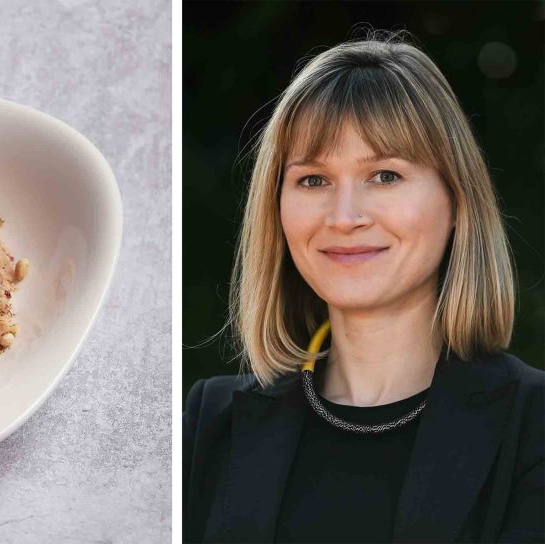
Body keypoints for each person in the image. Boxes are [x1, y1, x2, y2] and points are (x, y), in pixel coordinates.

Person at [184, 35, 544, 543]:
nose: (344, 217)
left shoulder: (532, 425)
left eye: (385, 175)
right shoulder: (210, 424)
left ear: (456, 201)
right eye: (313, 180)